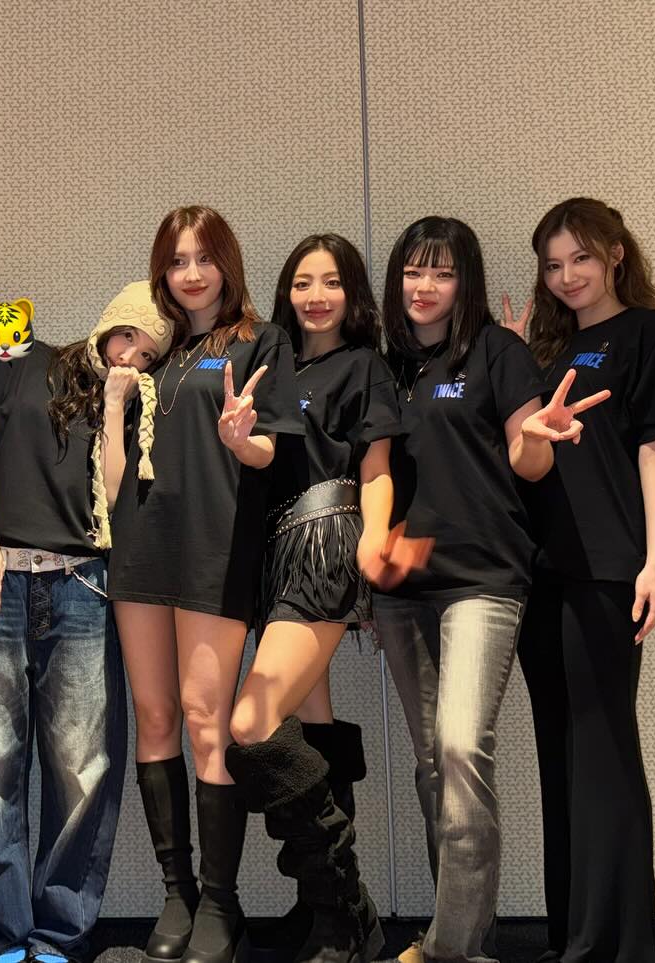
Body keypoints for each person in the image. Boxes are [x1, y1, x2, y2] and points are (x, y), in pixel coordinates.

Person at [371, 216, 607, 963]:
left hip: (483, 578)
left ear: (464, 282)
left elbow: (528, 459)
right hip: (402, 587)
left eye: (442, 273)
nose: (425, 286)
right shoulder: (385, 365)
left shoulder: (496, 351)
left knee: (460, 745)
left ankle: (448, 948)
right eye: (413, 270)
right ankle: (469, 937)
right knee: (431, 765)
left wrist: (538, 434)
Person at [0, 282, 170, 963]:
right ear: (109, 324)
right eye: (128, 337)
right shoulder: (19, 362)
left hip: (81, 584)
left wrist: (115, 405)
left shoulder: (132, 405)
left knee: (81, 766)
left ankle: (57, 935)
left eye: (149, 354)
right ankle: (3, 935)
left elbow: (112, 496)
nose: (132, 357)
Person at [108, 205, 303, 963]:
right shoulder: (155, 350)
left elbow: (272, 451)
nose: (191, 273)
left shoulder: (260, 340)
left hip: (216, 547)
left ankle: (222, 901)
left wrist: (242, 440)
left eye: (203, 258)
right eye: (176, 260)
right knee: (155, 714)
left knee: (203, 718)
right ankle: (177, 892)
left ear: (228, 262)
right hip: (140, 547)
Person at [510, 198, 655, 963]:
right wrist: (518, 370)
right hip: (540, 571)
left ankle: (617, 946)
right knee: (559, 754)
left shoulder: (652, 332)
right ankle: (572, 938)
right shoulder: (547, 350)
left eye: (581, 258)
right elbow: (525, 458)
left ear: (616, 253)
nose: (567, 276)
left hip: (609, 567)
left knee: (605, 750)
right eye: (554, 265)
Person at [223, 233, 399, 963]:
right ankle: (325, 917)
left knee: (252, 722)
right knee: (312, 723)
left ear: (351, 292)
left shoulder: (365, 365)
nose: (315, 295)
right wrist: (238, 440)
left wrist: (374, 541)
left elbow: (378, 463)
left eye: (330, 282)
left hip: (328, 539)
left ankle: (347, 905)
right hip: (275, 549)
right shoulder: (273, 362)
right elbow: (262, 454)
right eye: (302, 282)